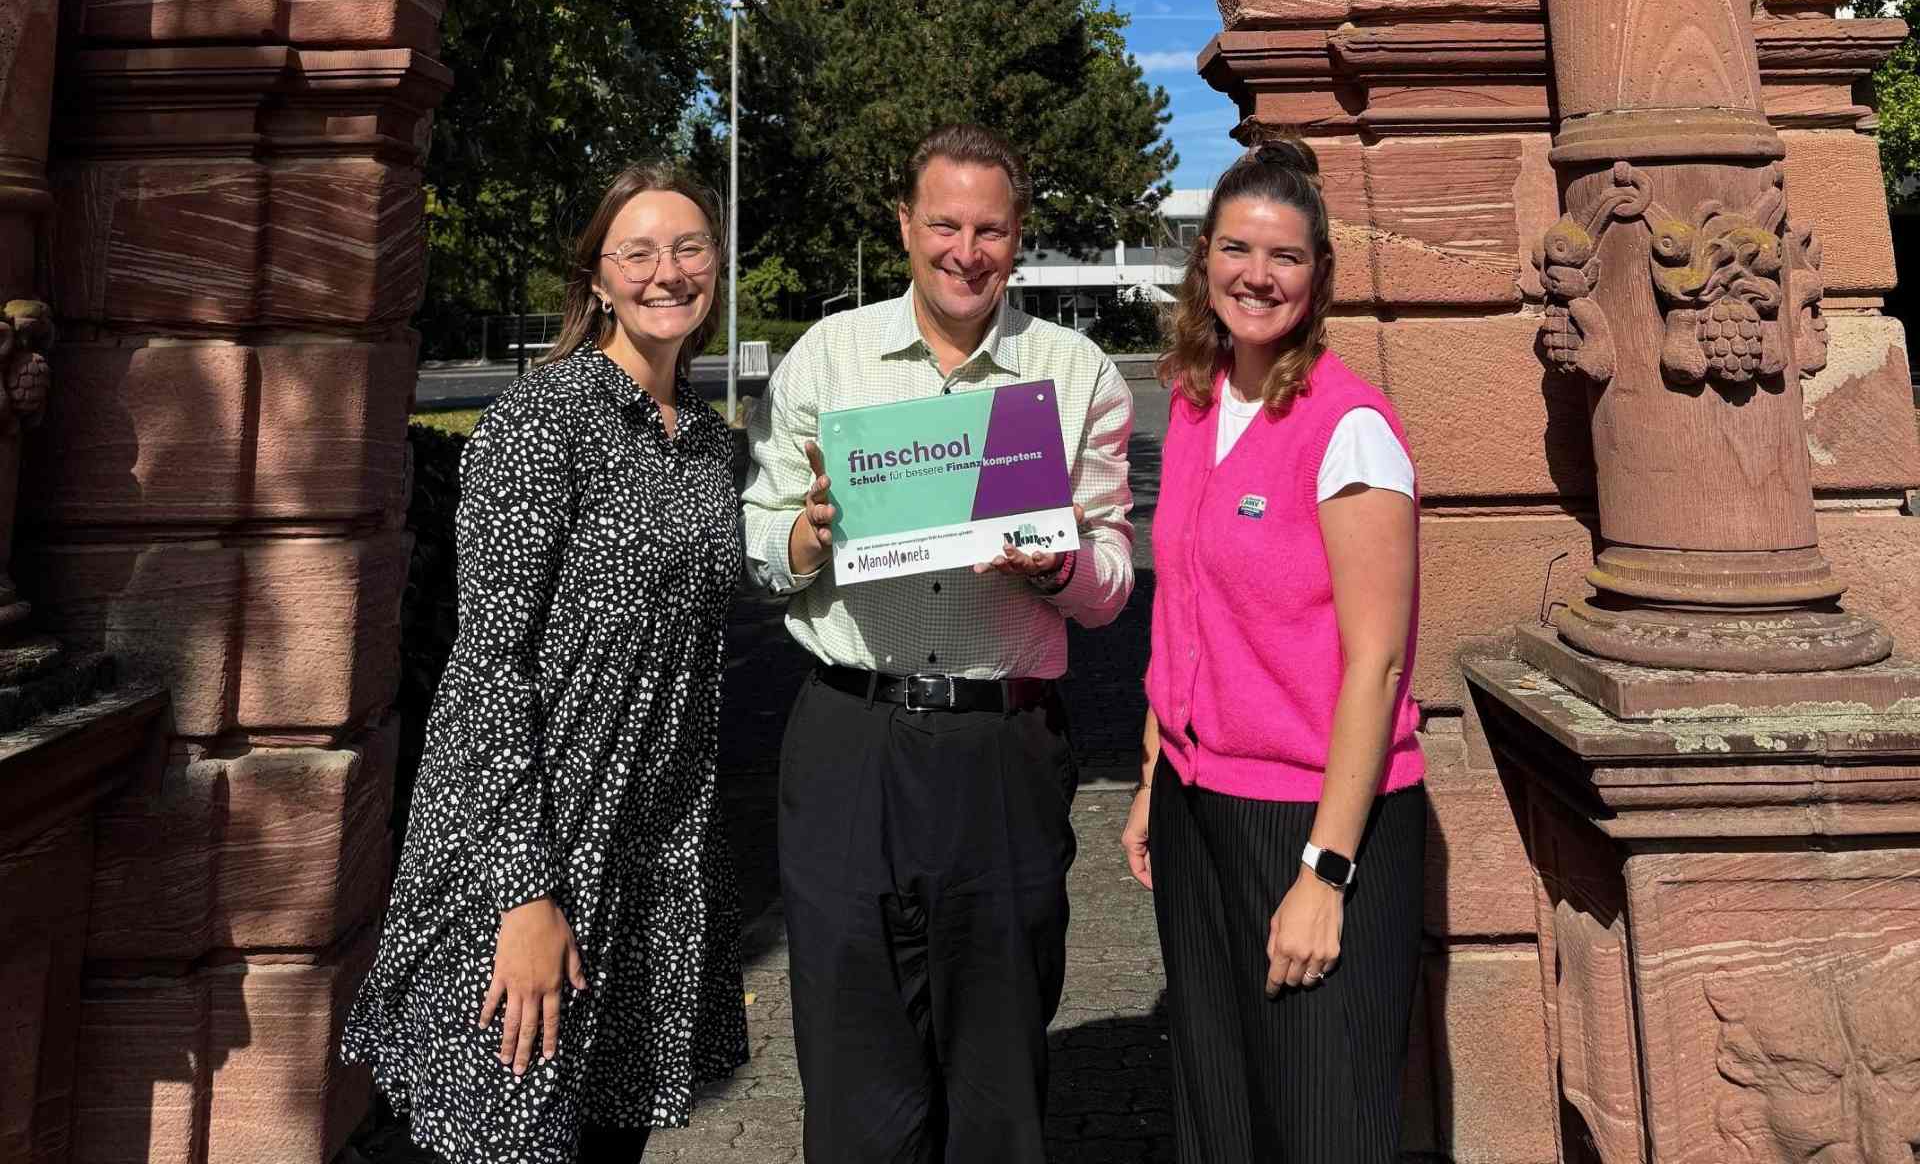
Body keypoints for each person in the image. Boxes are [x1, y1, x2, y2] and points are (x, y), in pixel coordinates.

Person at [742, 123, 1135, 1164]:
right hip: (848, 740)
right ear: (906, 225)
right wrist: (810, 532)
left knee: (999, 1075)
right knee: (852, 1063)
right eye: (946, 224)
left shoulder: (1077, 371)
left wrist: (1056, 565)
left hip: (1000, 748)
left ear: (1018, 235)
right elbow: (761, 549)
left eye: (992, 228)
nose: (968, 249)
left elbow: (1110, 587)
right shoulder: (830, 356)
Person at [342, 162, 749, 1164]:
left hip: (651, 862)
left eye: (690, 248)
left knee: (607, 1144)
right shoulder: (541, 423)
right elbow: (488, 670)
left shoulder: (711, 449)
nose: (668, 272)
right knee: (496, 1135)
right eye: (640, 252)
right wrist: (524, 895)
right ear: (599, 279)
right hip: (532, 850)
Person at [1122, 139, 1424, 1164]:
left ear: (1319, 275)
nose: (1259, 274)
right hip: (1199, 806)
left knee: (1322, 1119)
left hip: (1312, 814)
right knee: (1220, 1114)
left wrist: (1324, 874)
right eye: (1239, 250)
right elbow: (1190, 616)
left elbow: (1377, 662)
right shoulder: (1198, 401)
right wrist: (1157, 767)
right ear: (1205, 260)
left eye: (1286, 256)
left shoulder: (1349, 426)